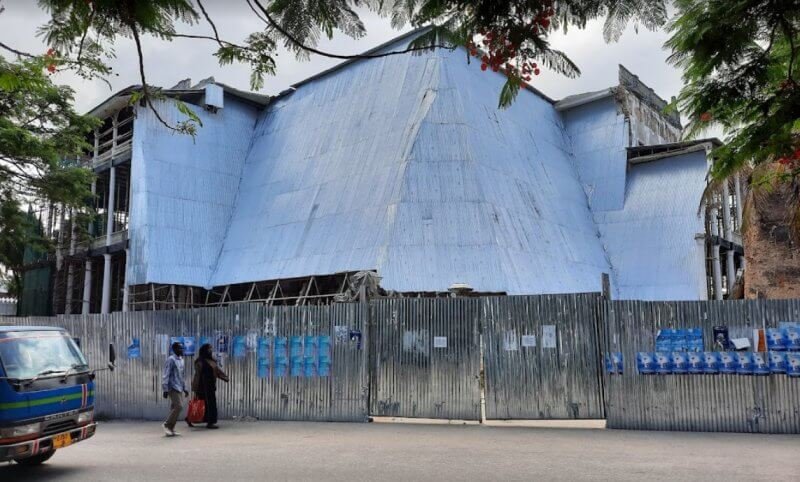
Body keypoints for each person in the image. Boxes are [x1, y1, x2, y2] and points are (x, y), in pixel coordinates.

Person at [191, 343, 229, 429]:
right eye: (209, 349)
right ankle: (208, 422)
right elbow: (197, 375)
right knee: (201, 404)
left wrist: (225, 377)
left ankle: (209, 421)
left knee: (210, 404)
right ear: (205, 350)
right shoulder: (199, 361)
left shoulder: (212, 361)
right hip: (202, 386)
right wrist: (195, 387)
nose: (211, 351)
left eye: (211, 349)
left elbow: (218, 371)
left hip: (210, 385)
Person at [162, 341, 188, 436]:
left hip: (179, 387)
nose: (181, 350)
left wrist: (185, 388)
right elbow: (166, 374)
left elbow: (182, 375)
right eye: (179, 348)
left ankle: (171, 429)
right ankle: (167, 424)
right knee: (179, 406)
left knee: (174, 407)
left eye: (182, 348)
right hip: (172, 387)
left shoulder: (181, 360)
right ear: (174, 349)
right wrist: (165, 389)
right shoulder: (171, 360)